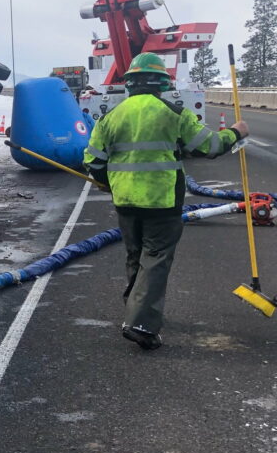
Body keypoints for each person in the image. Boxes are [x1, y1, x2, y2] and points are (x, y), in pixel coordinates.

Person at [83, 53, 249, 350]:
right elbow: (209, 147)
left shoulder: (110, 117)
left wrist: (111, 183)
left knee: (136, 255)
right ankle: (141, 324)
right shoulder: (173, 113)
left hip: (126, 201)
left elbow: (93, 161)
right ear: (162, 82)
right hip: (162, 201)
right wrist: (235, 132)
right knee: (156, 259)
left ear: (130, 83)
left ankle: (135, 307)